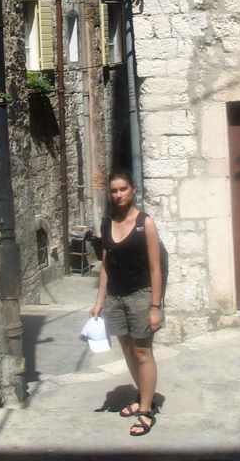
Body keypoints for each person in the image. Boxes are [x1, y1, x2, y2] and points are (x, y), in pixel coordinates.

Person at [90, 169, 163, 437]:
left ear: (133, 189)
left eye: (123, 189)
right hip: (115, 298)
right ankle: (143, 396)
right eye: (114, 190)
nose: (119, 195)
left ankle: (146, 410)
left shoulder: (146, 223)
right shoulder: (107, 224)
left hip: (141, 296)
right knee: (129, 351)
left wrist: (155, 307)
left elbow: (156, 269)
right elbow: (106, 266)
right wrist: (99, 300)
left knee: (143, 352)